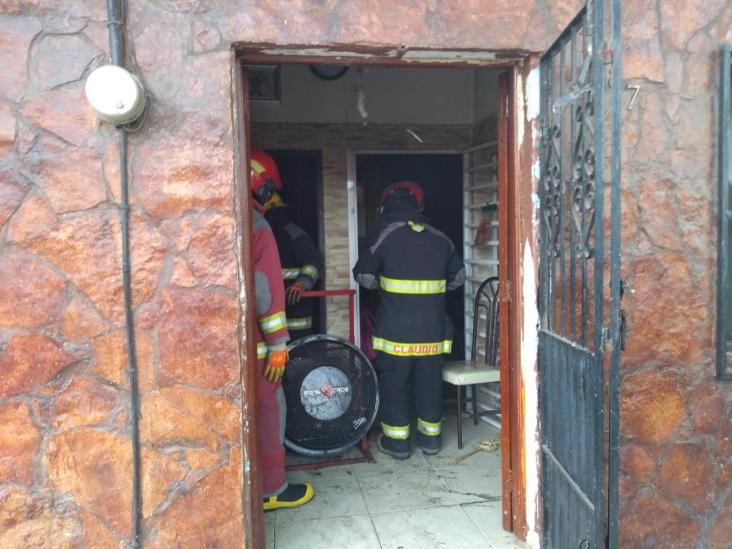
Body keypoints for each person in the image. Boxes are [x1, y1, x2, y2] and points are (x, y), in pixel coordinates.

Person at [353, 181, 465, 459]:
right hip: (433, 332)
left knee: (395, 385)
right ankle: (431, 441)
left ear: (385, 206)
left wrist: (387, 287)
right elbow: (459, 279)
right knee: (430, 384)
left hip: (395, 331)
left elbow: (364, 278)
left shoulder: (384, 234)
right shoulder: (440, 237)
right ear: (419, 206)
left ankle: (398, 444)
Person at [250, 149, 314, 510]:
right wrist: (277, 343)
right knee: (270, 410)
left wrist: (304, 282)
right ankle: (272, 488)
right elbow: (264, 288)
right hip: (269, 340)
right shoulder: (260, 227)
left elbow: (312, 263)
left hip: (288, 325)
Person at [253, 148, 323, 341]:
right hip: (275, 317)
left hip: (295, 318)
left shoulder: (291, 233)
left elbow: (314, 261)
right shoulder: (263, 231)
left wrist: (302, 283)